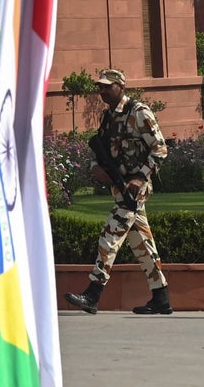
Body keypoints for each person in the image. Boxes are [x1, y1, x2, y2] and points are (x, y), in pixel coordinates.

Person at [64, 69, 173, 315]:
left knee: (110, 235)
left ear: (121, 87)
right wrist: (96, 169)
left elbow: (160, 149)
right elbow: (98, 150)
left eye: (107, 87)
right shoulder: (108, 118)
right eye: (100, 87)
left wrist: (139, 177)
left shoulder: (139, 113)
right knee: (141, 243)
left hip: (135, 190)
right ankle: (161, 296)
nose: (102, 91)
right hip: (118, 187)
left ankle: (93, 293)